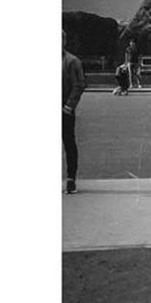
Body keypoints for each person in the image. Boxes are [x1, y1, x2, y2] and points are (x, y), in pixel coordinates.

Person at [62, 30, 86, 194]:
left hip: (63, 110)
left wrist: (69, 106)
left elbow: (79, 85)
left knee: (69, 143)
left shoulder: (72, 61)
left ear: (64, 41)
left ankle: (71, 179)